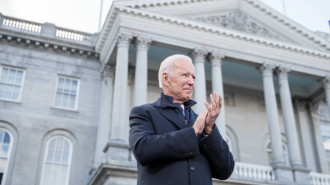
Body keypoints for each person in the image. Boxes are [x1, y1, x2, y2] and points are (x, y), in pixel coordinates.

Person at [129, 54, 235, 185]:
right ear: (166, 78)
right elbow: (142, 150)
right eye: (185, 75)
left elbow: (226, 170)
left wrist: (209, 131)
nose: (191, 82)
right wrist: (193, 132)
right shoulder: (145, 112)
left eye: (193, 77)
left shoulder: (202, 121)